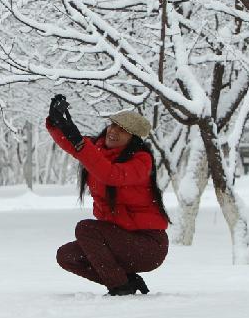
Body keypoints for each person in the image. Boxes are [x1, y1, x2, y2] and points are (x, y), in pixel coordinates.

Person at [46, 95, 170, 296]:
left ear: (134, 139)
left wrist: (79, 141)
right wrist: (57, 121)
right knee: (67, 256)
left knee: (86, 228)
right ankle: (125, 281)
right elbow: (73, 145)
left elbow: (111, 174)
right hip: (117, 239)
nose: (113, 131)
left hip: (147, 246)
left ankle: (119, 288)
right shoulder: (98, 150)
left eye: (122, 130)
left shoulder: (141, 161)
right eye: (113, 125)